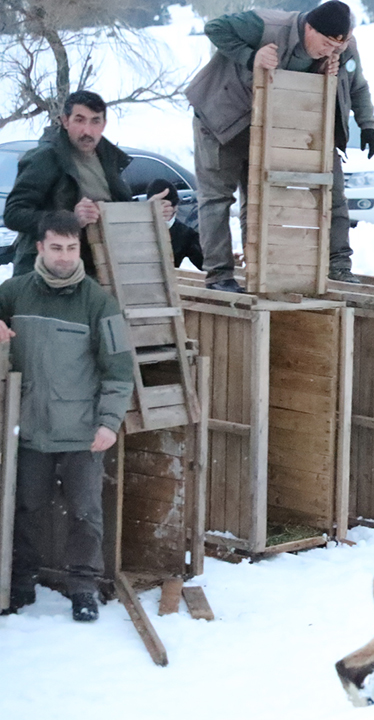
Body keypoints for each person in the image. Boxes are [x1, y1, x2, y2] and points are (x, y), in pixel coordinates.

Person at [186, 0, 374, 292]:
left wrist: (367, 124)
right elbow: (214, 28)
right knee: (217, 198)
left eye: (338, 47)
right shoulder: (268, 25)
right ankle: (219, 274)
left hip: (266, 124)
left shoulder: (342, 48)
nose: (331, 51)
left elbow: (356, 85)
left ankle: (261, 268)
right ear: (309, 28)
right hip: (219, 116)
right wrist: (251, 57)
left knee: (262, 196)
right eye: (326, 44)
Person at [0, 211, 134, 621]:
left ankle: (83, 589)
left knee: (86, 514)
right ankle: (20, 584)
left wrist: (109, 423)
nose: (64, 257)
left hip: (81, 433)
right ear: (40, 247)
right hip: (29, 429)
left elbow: (119, 369)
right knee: (24, 508)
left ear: (80, 249)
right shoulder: (14, 293)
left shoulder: (99, 302)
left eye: (71, 248)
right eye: (56, 247)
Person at [3, 91, 175, 278]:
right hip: (46, 273)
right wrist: (70, 219)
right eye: (79, 120)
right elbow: (14, 214)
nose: (87, 130)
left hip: (98, 269)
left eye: (95, 121)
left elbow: (116, 212)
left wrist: (149, 211)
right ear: (65, 121)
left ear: (103, 125)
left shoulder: (110, 159)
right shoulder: (45, 158)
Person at [146, 179, 204, 270]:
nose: (163, 211)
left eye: (166, 206)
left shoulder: (186, 235)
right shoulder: (139, 231)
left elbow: (205, 265)